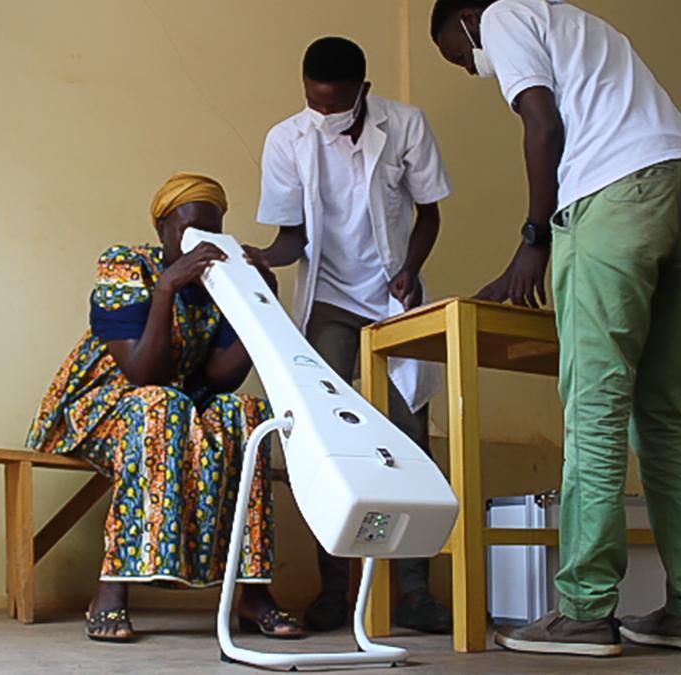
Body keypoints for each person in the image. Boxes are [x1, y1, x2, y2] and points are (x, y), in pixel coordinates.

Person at [430, 0, 681, 658]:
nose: (474, 68)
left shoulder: (502, 15)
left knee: (595, 405)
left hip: (614, 198)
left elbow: (541, 124)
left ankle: (585, 608)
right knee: (665, 414)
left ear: (465, 23)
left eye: (461, 57)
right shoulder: (580, 24)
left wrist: (533, 237)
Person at [25, 173, 302, 643]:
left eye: (210, 231)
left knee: (247, 415)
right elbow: (140, 371)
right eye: (187, 230)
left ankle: (253, 592)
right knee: (159, 404)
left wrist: (261, 305)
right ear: (162, 230)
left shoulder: (220, 280)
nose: (198, 242)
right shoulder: (125, 266)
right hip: (98, 407)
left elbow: (220, 378)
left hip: (175, 410)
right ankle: (112, 590)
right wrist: (167, 289)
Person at [245, 36, 454, 635]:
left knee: (408, 434)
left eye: (337, 104)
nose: (326, 114)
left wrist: (409, 270)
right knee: (326, 437)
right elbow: (292, 236)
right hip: (330, 299)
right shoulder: (287, 138)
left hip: (394, 297)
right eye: (315, 102)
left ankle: (412, 589)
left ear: (364, 91)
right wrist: (264, 255)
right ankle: (334, 586)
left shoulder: (407, 124)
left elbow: (430, 211)